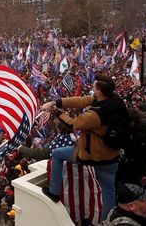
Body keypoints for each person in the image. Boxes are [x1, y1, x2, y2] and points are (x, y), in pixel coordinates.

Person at [41, 74, 128, 221]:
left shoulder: (95, 115)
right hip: (112, 153)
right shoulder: (114, 101)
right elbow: (81, 100)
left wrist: (55, 111)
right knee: (108, 189)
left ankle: (54, 191)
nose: (92, 90)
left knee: (57, 154)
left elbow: (73, 124)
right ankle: (109, 220)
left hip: (94, 154)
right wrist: (56, 102)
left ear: (99, 91)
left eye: (94, 87)